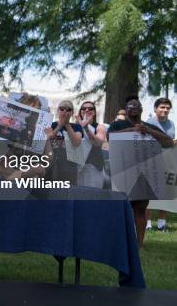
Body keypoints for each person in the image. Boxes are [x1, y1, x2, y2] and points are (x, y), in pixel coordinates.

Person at [107, 97, 173, 247]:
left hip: (145, 173)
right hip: (122, 172)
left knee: (140, 208)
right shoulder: (118, 125)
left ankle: (139, 244)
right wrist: (131, 130)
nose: (134, 108)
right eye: (131, 106)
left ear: (142, 110)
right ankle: (120, 241)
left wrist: (149, 131)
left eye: (137, 106)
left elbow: (168, 142)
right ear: (126, 110)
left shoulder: (148, 126)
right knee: (122, 208)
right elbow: (109, 137)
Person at [144, 97, 175, 231]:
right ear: (155, 109)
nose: (165, 110)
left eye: (167, 108)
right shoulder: (149, 123)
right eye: (162, 107)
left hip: (168, 162)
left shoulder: (171, 124)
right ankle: (148, 223)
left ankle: (162, 222)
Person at [45, 100, 84, 184]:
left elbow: (76, 142)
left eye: (68, 109)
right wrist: (59, 125)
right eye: (62, 109)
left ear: (72, 112)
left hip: (69, 168)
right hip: (51, 165)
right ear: (58, 111)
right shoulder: (51, 125)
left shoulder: (76, 127)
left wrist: (67, 124)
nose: (64, 111)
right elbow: (49, 137)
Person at [75, 101, 107, 188]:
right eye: (84, 108)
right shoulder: (75, 127)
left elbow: (98, 143)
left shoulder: (100, 127)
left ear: (95, 112)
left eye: (90, 108)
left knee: (93, 198)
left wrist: (86, 128)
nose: (87, 110)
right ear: (80, 111)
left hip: (94, 168)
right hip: (77, 168)